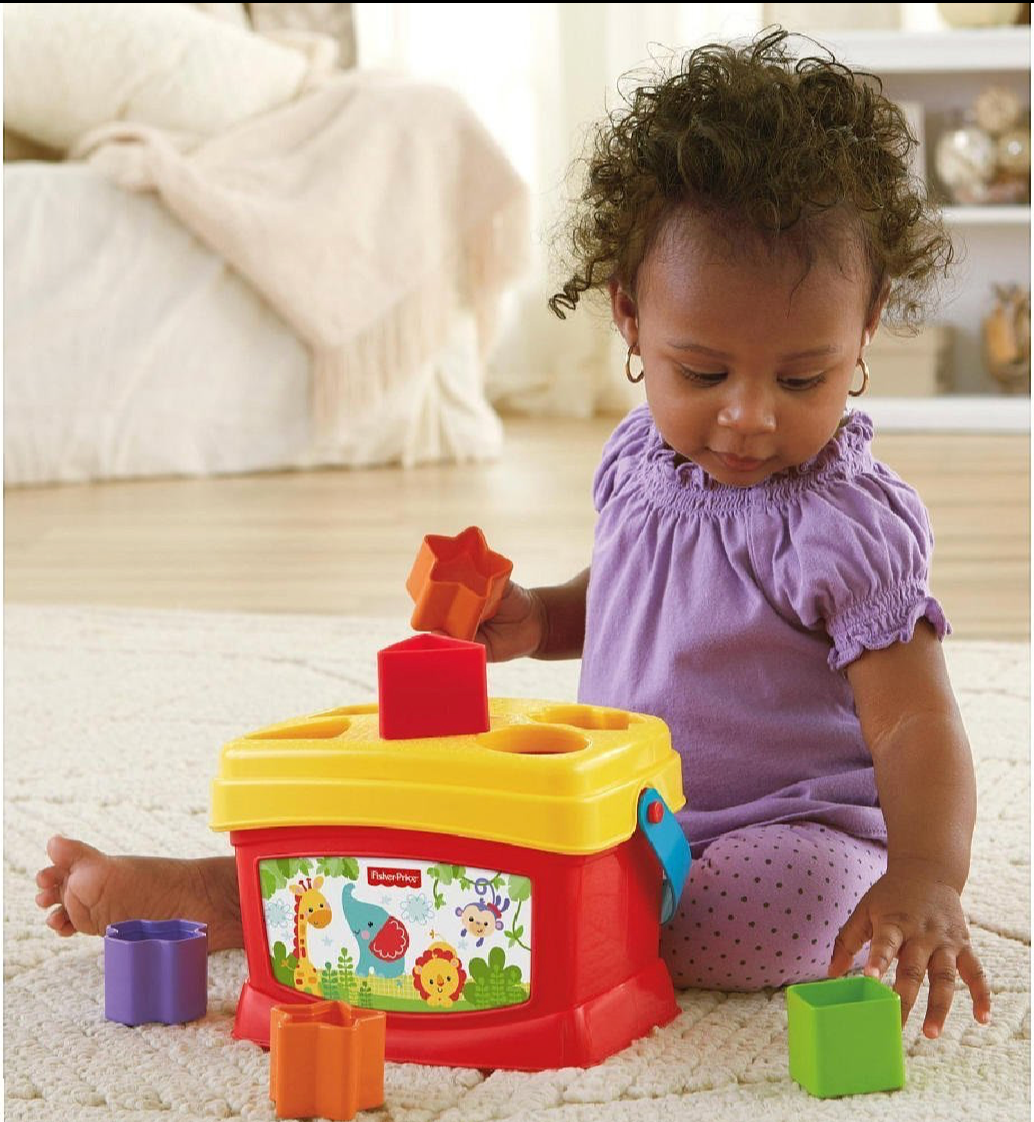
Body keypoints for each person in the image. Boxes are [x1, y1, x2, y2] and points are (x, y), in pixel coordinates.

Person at [36, 29, 990, 1040]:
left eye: (801, 377)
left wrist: (925, 875)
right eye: (703, 373)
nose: (748, 416)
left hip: (780, 833)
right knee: (474, 805)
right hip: (617, 810)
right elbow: (633, 591)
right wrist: (537, 618)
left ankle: (388, 911)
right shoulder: (641, 458)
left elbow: (914, 725)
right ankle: (253, 889)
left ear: (864, 329)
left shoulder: (848, 527)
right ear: (630, 318)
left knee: (786, 903)